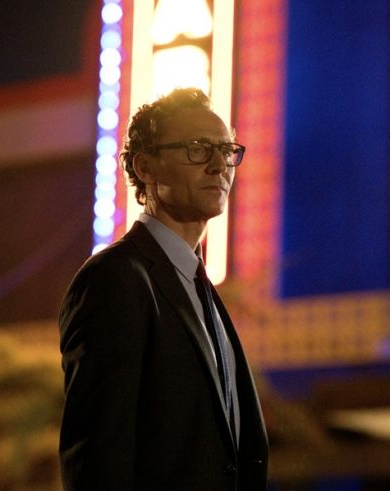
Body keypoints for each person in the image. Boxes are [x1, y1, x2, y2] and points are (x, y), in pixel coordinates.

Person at [58, 87, 268, 490]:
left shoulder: (201, 289)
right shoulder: (114, 279)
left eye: (226, 151)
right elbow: (98, 455)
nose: (218, 166)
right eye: (197, 149)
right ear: (145, 167)